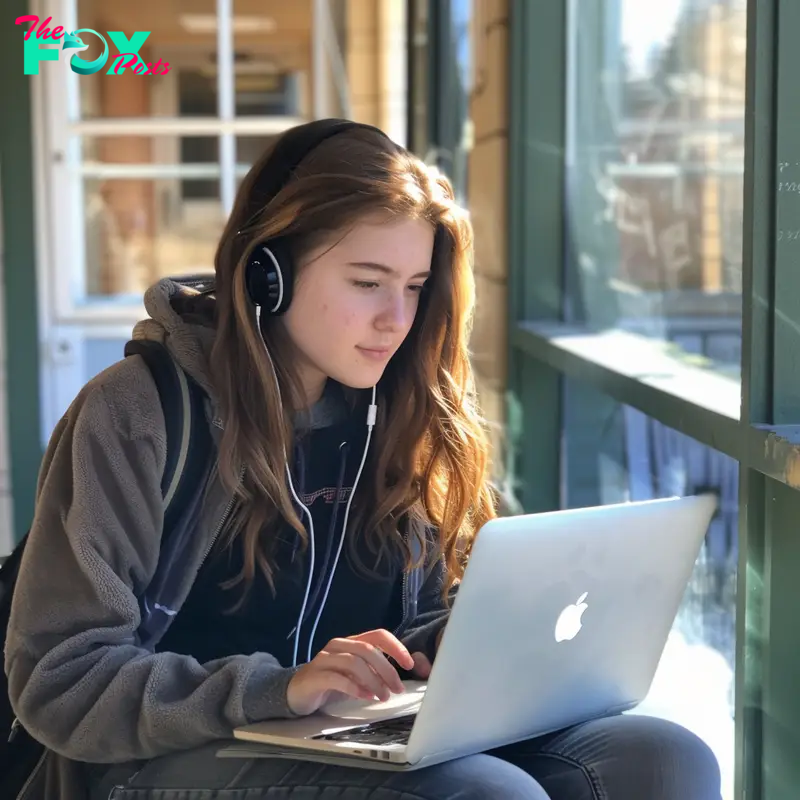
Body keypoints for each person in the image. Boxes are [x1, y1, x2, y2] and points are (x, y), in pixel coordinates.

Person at [5, 119, 722, 800]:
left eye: (413, 288)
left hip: (355, 735)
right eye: (366, 282)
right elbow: (62, 679)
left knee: (661, 757)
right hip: (157, 761)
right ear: (268, 276)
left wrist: (458, 640)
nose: (396, 320)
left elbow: (407, 626)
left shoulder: (397, 407)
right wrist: (279, 689)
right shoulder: (139, 413)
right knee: (482, 793)